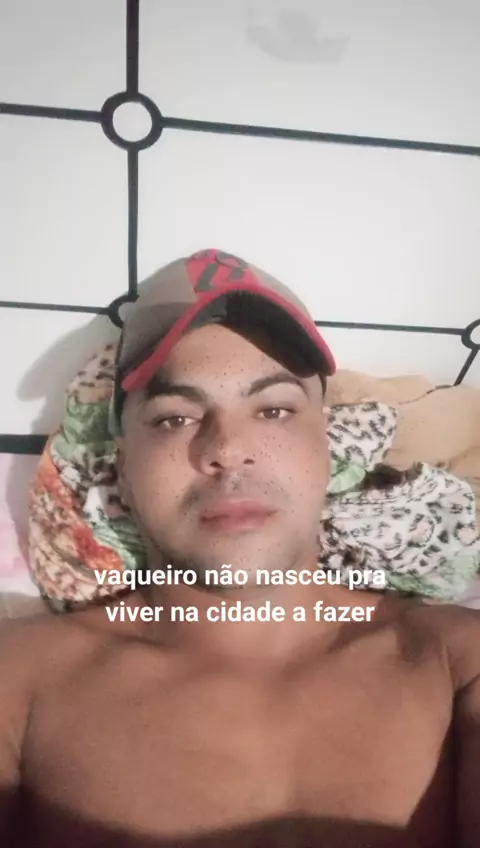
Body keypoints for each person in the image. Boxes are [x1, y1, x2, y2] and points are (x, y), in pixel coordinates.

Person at [0, 248, 479, 848]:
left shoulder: (456, 662)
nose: (227, 449)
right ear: (122, 469)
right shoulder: (18, 677)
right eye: (174, 418)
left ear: (327, 448)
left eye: (274, 410)